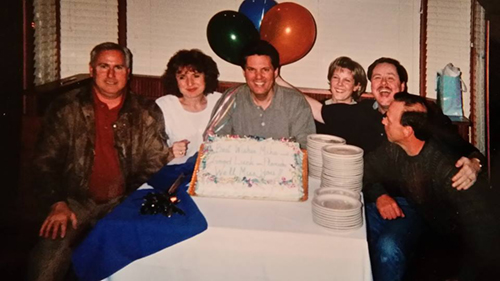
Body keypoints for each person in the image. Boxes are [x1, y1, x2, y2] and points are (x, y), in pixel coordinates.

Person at [27, 42, 172, 281]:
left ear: (128, 72)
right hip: (74, 201)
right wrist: (57, 203)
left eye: (118, 67)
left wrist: (128, 204)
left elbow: (153, 165)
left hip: (123, 200)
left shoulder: (146, 111)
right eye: (104, 66)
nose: (111, 75)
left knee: (135, 263)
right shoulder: (67, 108)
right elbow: (45, 160)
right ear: (92, 69)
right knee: (45, 266)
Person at [364, 92, 500, 280]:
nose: (383, 122)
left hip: (460, 252)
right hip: (434, 236)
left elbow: (485, 235)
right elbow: (365, 168)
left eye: (388, 118)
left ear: (407, 130)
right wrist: (380, 195)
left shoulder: (448, 170)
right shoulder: (395, 150)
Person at [207, 40, 315, 148]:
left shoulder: (295, 102)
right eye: (252, 70)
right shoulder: (231, 97)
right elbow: (213, 138)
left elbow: (304, 147)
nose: (258, 76)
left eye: (265, 70)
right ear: (244, 72)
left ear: (275, 72)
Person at [156, 49, 222, 165]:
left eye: (196, 76)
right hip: (177, 175)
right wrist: (169, 153)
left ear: (206, 77)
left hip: (214, 172)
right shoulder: (164, 106)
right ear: (174, 80)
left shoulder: (220, 102)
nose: (190, 83)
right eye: (182, 77)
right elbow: (149, 153)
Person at [303, 56, 368, 140]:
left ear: (356, 86)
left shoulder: (361, 112)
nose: (339, 84)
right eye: (336, 78)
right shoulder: (318, 105)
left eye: (347, 80)